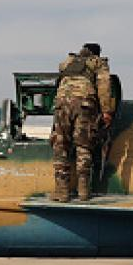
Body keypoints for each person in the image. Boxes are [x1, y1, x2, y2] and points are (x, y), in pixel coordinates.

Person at [52, 43, 115, 202]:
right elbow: (104, 86)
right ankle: (83, 191)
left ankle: (62, 192)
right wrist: (106, 111)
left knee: (61, 144)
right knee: (83, 144)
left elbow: (59, 76)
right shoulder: (98, 62)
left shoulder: (68, 62)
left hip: (61, 103)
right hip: (84, 103)